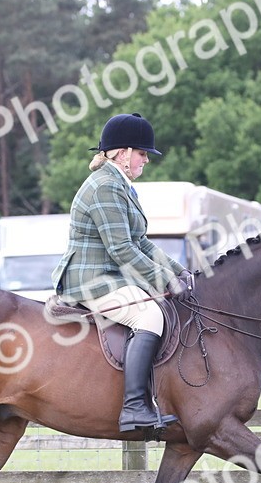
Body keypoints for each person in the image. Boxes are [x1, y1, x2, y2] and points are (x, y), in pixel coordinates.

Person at [51, 112, 188, 435]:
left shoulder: (120, 185)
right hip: (91, 279)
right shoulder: (105, 187)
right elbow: (121, 251)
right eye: (142, 154)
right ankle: (134, 407)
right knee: (149, 317)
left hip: (110, 275)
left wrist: (182, 272)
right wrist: (163, 280)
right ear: (123, 153)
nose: (146, 160)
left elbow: (141, 242)